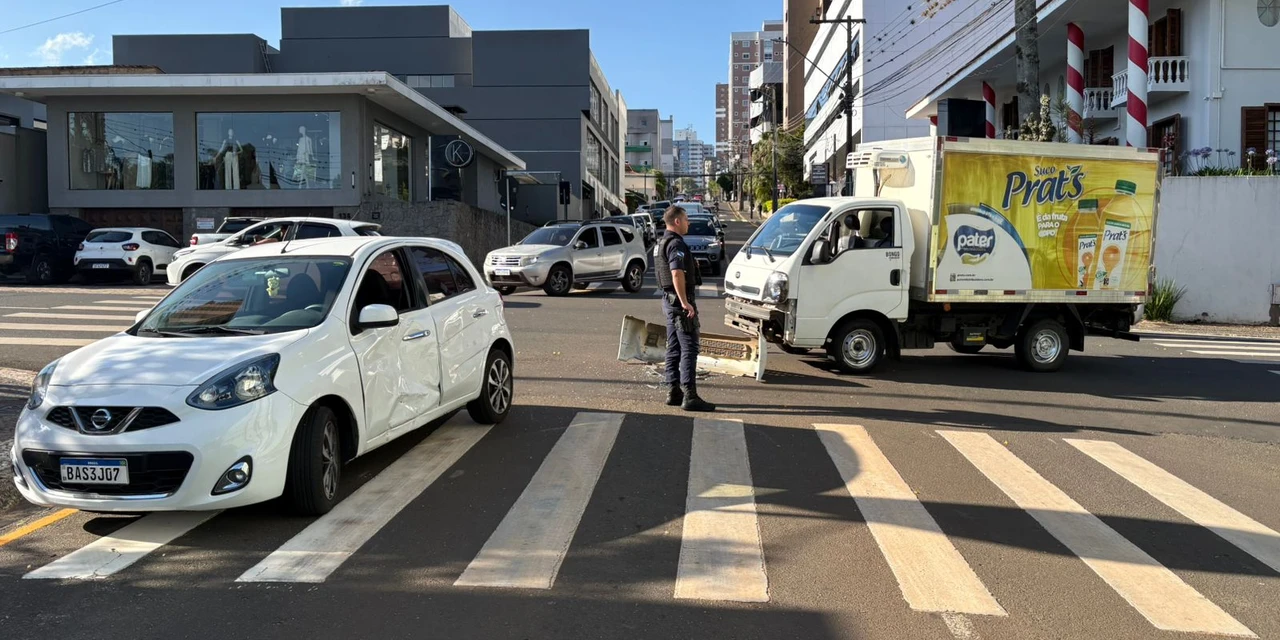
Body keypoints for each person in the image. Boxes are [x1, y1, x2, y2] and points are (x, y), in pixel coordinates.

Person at [656, 206, 716, 412]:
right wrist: (685, 302)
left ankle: (673, 391)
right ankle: (690, 395)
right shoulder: (675, 244)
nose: (689, 223)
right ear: (677, 222)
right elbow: (676, 273)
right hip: (679, 303)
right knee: (689, 347)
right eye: (687, 219)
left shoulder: (662, 242)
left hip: (668, 302)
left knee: (673, 347)